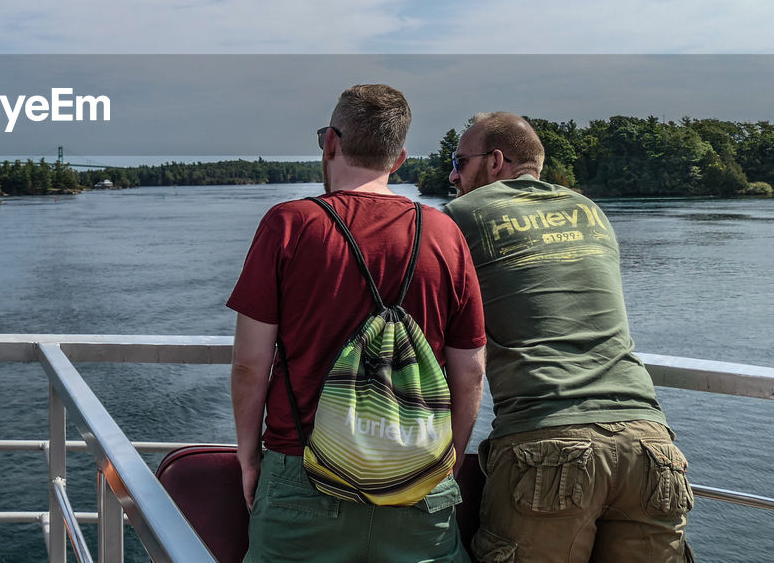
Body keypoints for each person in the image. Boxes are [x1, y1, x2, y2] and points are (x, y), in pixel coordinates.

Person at [229, 84, 487, 563]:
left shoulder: (290, 224)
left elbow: (249, 364)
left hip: (302, 474)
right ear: (399, 159)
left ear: (331, 143)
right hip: (417, 485)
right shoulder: (444, 232)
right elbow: (469, 371)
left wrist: (249, 458)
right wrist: (443, 465)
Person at [444, 112, 692, 563]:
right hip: (651, 445)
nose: (452, 175)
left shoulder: (460, 216)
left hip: (546, 442)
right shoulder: (591, 211)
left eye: (460, 162)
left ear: (495, 161)